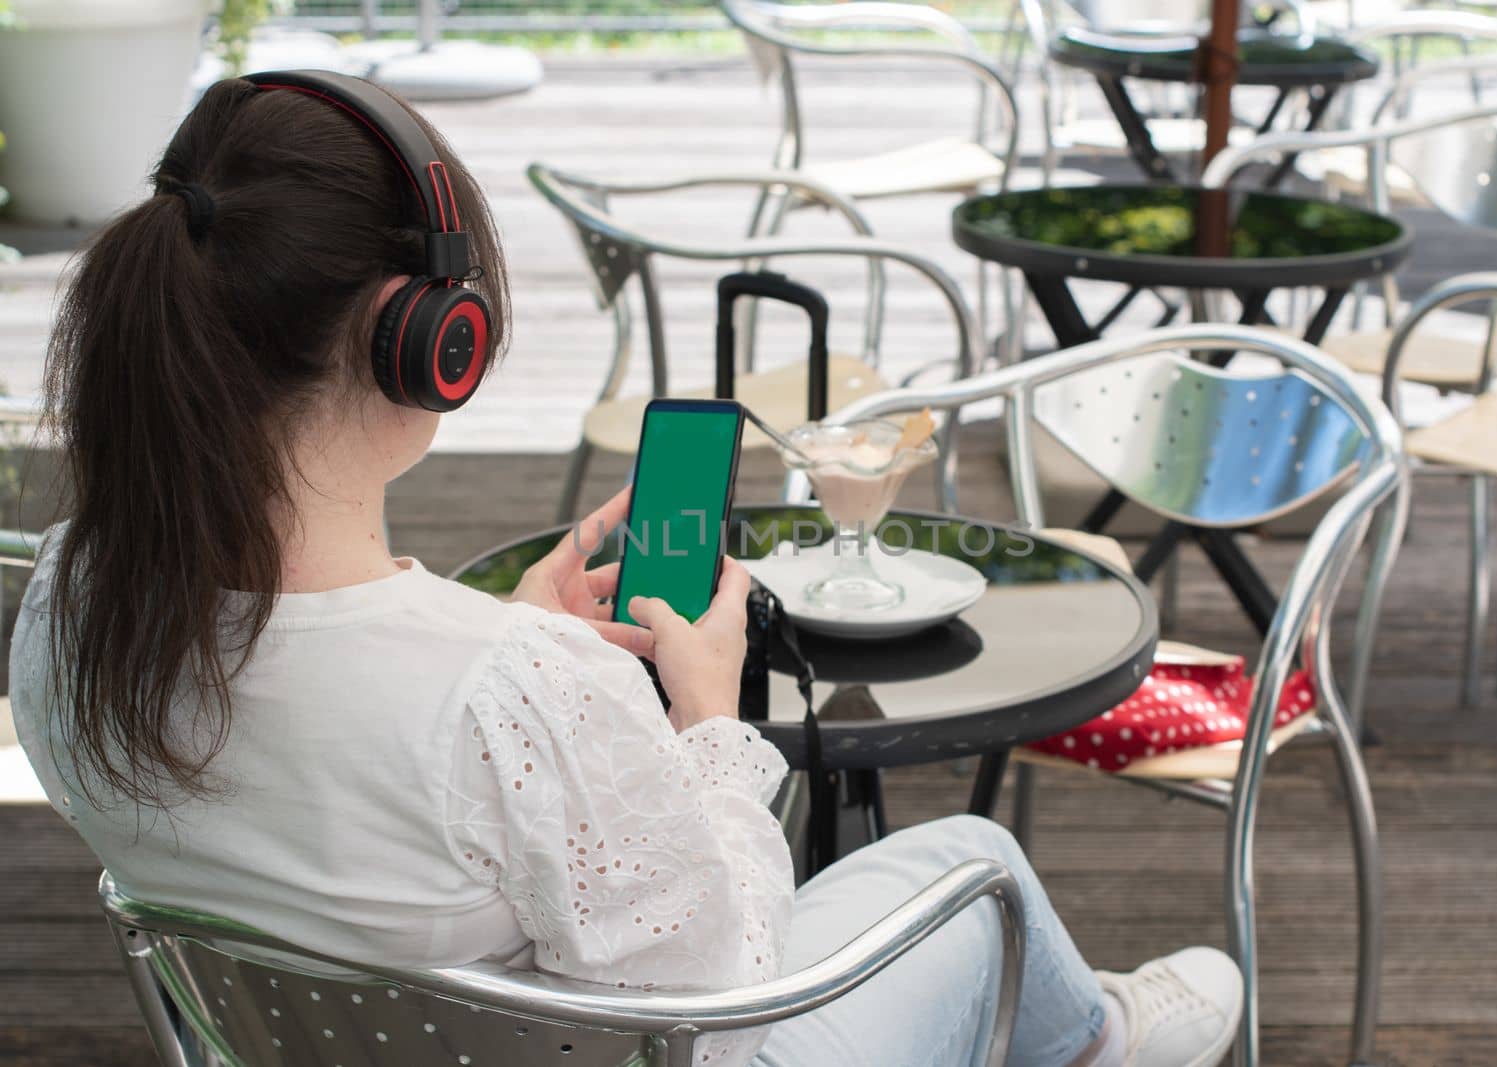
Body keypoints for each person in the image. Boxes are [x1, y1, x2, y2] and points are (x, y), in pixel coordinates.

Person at [11, 73, 1243, 1067]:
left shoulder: (68, 604)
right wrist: (705, 710)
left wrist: (489, 632)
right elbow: (729, 984)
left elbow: (330, 757)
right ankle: (1096, 1038)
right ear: (430, 338)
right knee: (974, 866)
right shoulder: (515, 686)